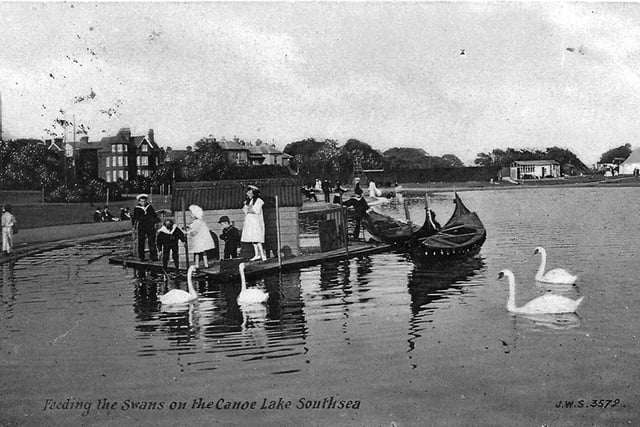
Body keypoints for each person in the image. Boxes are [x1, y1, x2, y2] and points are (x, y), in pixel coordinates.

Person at [241, 185, 267, 261]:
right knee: (252, 239)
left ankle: (262, 255)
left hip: (256, 222)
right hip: (249, 222)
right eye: (247, 192)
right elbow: (244, 210)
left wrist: (249, 209)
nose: (248, 194)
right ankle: (256, 254)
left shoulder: (259, 201)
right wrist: (248, 208)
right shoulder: (248, 202)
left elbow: (256, 210)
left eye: (250, 192)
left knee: (257, 239)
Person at [131, 194, 159, 261]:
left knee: (151, 241)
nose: (143, 203)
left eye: (144, 201)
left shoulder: (150, 207)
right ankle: (141, 257)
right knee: (141, 241)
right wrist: (133, 228)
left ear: (146, 201)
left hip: (150, 226)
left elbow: (154, 216)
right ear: (139, 202)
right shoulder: (137, 209)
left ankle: (153, 256)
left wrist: (155, 221)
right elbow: (135, 218)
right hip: (142, 226)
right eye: (142, 201)